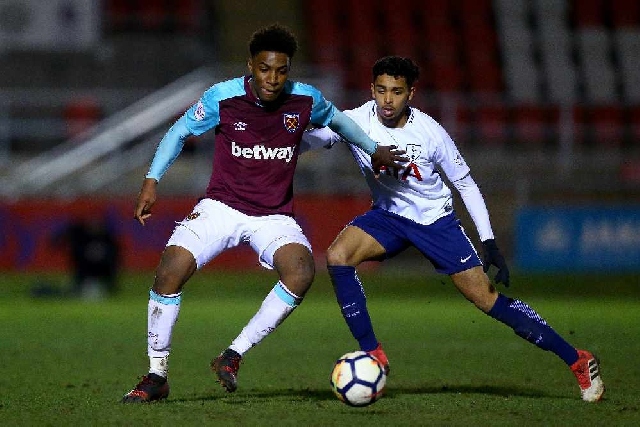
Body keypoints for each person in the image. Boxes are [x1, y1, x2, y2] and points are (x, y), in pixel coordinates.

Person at [121, 24, 405, 403]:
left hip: (273, 214)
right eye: (264, 69)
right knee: (170, 269)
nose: (272, 79)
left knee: (302, 271)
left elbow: (338, 120)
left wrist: (373, 148)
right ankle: (157, 376)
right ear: (250, 66)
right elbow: (178, 132)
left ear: (289, 69)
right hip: (221, 206)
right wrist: (151, 180)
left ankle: (233, 354)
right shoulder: (222, 97)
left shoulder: (306, 100)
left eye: (281, 70)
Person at [301, 56, 604, 402]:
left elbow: (465, 184)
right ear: (371, 89)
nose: (387, 100)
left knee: (487, 300)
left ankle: (577, 359)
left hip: (436, 223)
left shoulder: (430, 132)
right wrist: (281, 144)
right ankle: (373, 353)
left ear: (411, 93)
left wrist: (488, 241)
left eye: (397, 92)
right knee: (338, 256)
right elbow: (316, 139)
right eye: (381, 90)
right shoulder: (355, 120)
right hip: (387, 217)